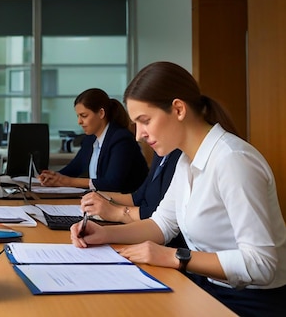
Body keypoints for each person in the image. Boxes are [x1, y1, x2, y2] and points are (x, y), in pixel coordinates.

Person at [71, 61, 286, 317]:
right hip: (206, 286)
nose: (139, 135)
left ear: (178, 109)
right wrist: (104, 235)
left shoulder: (233, 160)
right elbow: (162, 224)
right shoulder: (185, 160)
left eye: (145, 121)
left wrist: (176, 257)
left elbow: (262, 264)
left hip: (251, 301)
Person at [38, 88, 148, 193]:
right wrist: (53, 176)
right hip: (101, 202)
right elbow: (73, 169)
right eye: (78, 116)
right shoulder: (90, 139)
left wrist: (69, 182)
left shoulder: (121, 139)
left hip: (125, 205)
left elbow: (113, 184)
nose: (79, 122)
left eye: (84, 116)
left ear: (101, 113)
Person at [81, 149, 186, 248]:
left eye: (146, 127)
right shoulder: (166, 155)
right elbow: (138, 197)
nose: (138, 136)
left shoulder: (181, 157)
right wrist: (99, 197)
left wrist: (117, 212)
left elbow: (158, 215)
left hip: (171, 247)